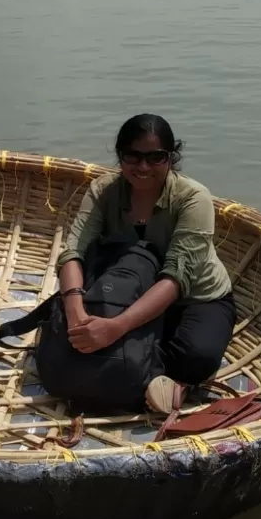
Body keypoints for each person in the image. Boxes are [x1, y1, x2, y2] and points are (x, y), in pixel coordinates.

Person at [56, 113, 235, 414]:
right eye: (133, 157)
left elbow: (176, 278)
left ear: (170, 157)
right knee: (70, 334)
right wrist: (75, 315)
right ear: (120, 156)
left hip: (195, 299)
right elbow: (72, 252)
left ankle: (147, 371)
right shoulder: (103, 191)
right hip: (129, 291)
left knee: (197, 357)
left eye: (155, 158)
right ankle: (141, 373)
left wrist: (116, 328)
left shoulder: (193, 198)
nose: (143, 167)